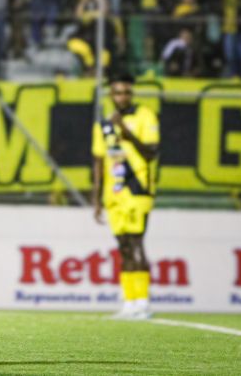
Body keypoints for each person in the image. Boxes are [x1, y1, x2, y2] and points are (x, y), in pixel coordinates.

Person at [91, 73, 160, 321]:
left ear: (132, 93)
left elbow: (152, 152)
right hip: (115, 192)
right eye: (118, 92)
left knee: (137, 243)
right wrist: (96, 198)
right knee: (123, 248)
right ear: (111, 95)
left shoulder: (145, 116)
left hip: (138, 187)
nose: (122, 96)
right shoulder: (104, 124)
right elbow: (99, 161)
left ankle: (143, 302)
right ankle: (129, 302)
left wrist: (126, 132)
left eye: (126, 92)